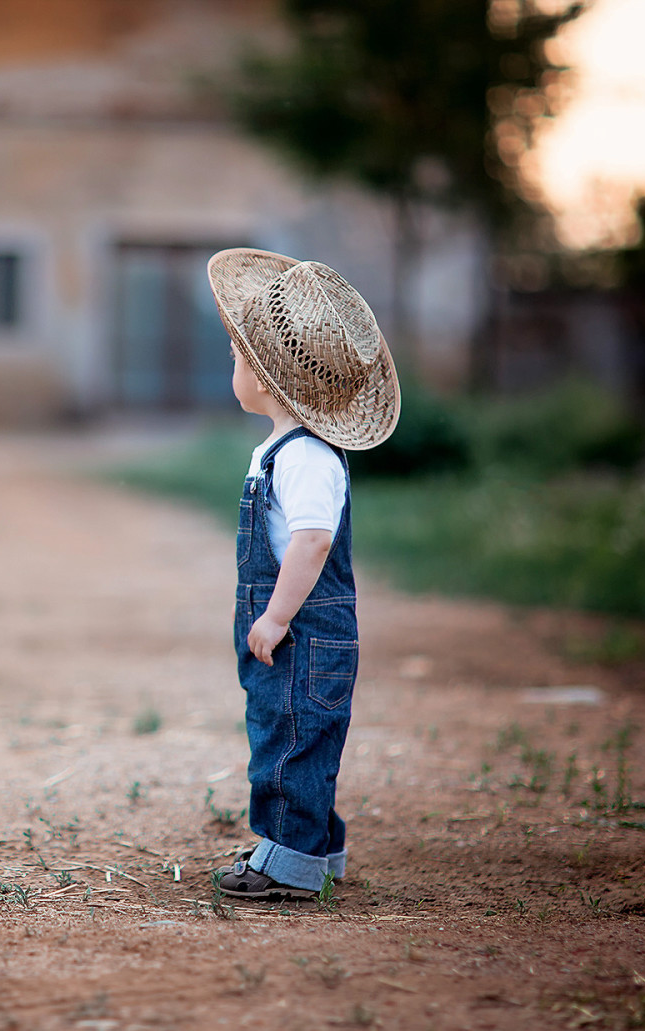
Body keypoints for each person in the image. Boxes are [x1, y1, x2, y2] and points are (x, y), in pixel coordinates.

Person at [205, 248, 401, 899]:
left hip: (305, 628)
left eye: (236, 357)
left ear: (263, 376)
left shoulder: (306, 457)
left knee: (291, 738)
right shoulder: (283, 448)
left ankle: (288, 859)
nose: (231, 366)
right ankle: (316, 847)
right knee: (292, 730)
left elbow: (312, 542)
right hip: (296, 627)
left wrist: (278, 615)